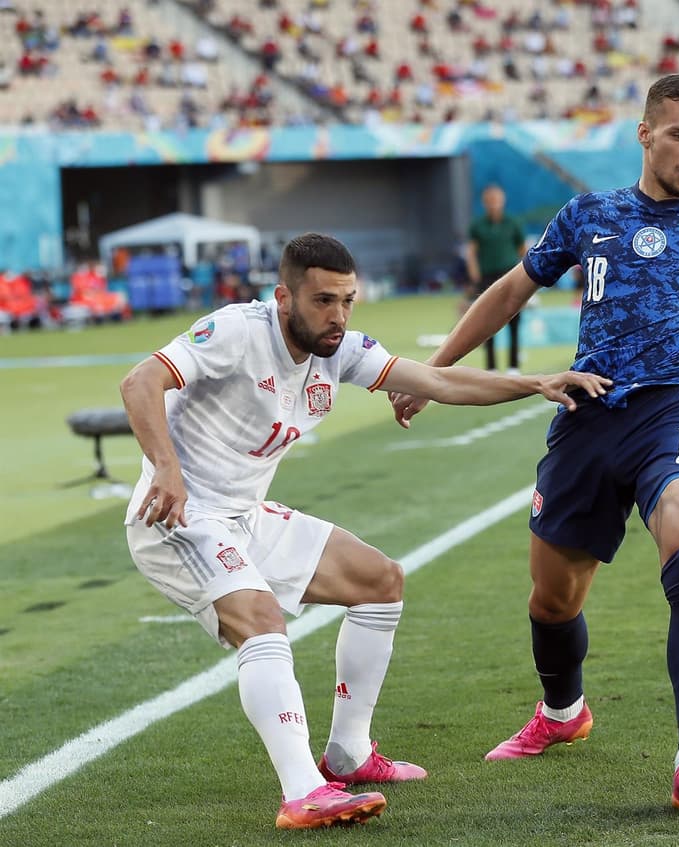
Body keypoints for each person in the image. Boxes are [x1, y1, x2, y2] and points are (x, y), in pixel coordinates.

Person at [390, 74, 679, 810]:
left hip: (674, 414)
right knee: (552, 601)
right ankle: (562, 713)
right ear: (644, 134)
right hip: (585, 411)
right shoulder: (589, 214)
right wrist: (433, 369)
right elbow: (512, 290)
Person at [120, 233, 610, 830]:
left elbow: (438, 382)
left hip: (243, 515)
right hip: (179, 516)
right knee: (261, 619)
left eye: (348, 300)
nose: (338, 316)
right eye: (324, 300)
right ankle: (303, 791)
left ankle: (348, 755)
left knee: (380, 581)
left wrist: (534, 383)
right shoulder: (236, 331)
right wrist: (166, 469)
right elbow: (140, 382)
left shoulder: (339, 349)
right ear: (283, 297)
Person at [465, 184, 528, 372]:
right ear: (485, 203)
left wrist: (528, 275)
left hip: (510, 274)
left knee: (514, 320)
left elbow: (523, 250)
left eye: (497, 200)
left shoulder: (512, 223)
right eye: (490, 201)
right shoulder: (478, 225)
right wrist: (475, 276)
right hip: (487, 277)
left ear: (503, 201)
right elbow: (471, 252)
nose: (494, 204)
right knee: (487, 320)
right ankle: (491, 367)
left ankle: (513, 366)